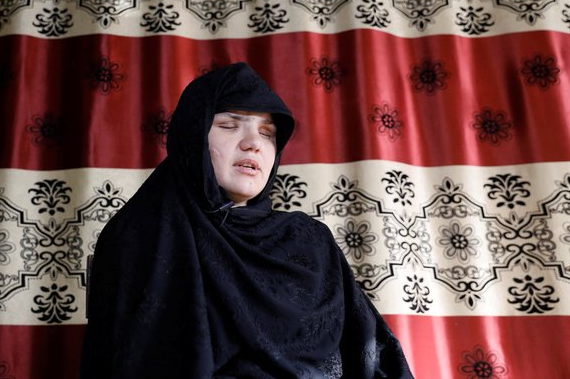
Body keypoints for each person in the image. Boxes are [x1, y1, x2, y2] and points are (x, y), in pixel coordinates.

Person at [81, 62, 414, 378]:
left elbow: (372, 352)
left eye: (268, 133)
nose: (254, 144)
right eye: (229, 126)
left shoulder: (310, 240)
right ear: (192, 135)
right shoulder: (143, 235)